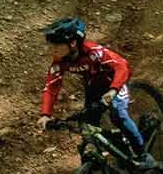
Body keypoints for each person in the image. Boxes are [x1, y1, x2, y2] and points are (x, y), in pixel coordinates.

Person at [38, 18, 148, 156]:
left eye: (57, 45)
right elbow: (51, 87)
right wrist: (45, 114)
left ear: (72, 43)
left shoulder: (94, 52)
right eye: (51, 46)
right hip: (94, 88)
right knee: (89, 125)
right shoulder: (59, 61)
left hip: (114, 83)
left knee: (118, 114)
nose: (53, 49)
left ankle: (143, 155)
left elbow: (122, 66)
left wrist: (113, 90)